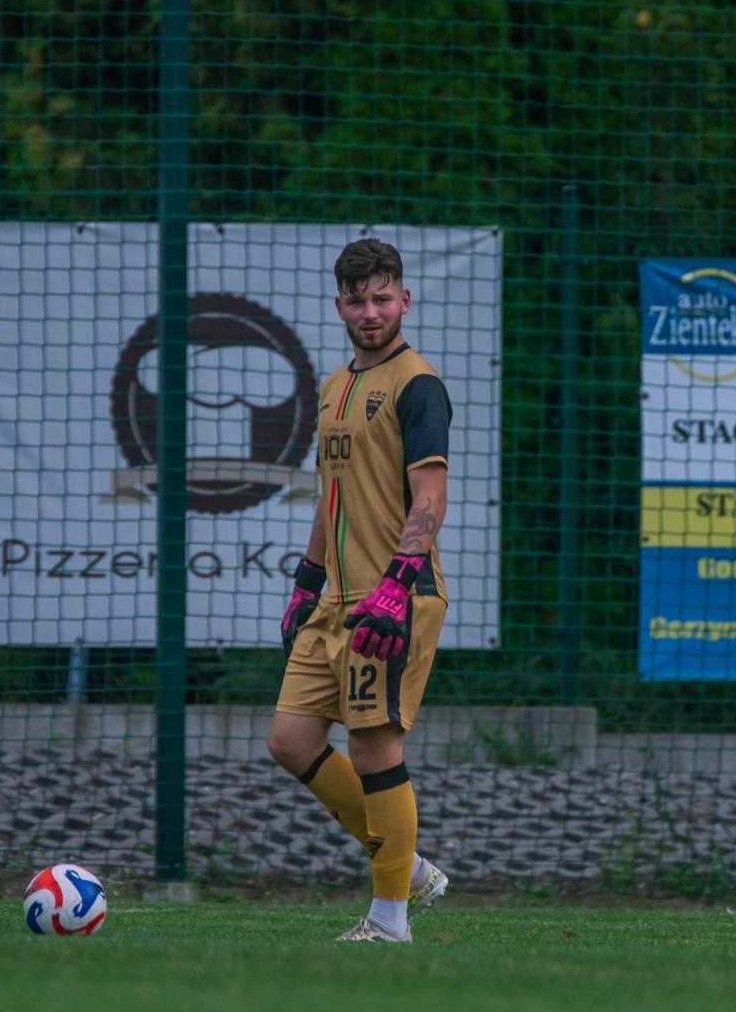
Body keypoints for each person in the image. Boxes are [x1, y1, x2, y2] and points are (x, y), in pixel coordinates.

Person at [267, 238, 453, 943]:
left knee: (376, 751)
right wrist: (305, 582)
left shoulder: (418, 385)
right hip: (335, 601)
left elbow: (428, 497)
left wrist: (397, 586)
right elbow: (331, 496)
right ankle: (411, 870)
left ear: (404, 300)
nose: (370, 311)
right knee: (289, 739)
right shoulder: (337, 386)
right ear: (339, 304)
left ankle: (390, 919)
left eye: (382, 298)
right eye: (356, 299)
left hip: (395, 595)